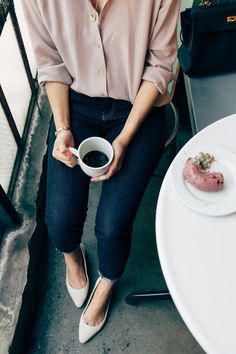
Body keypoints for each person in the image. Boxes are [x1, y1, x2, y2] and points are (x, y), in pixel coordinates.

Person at [22, 0, 180, 343]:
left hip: (139, 102)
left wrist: (123, 140)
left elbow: (161, 65)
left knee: (113, 224)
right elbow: (51, 64)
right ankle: (73, 260)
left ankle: (107, 282)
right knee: (60, 218)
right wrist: (63, 129)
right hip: (75, 104)